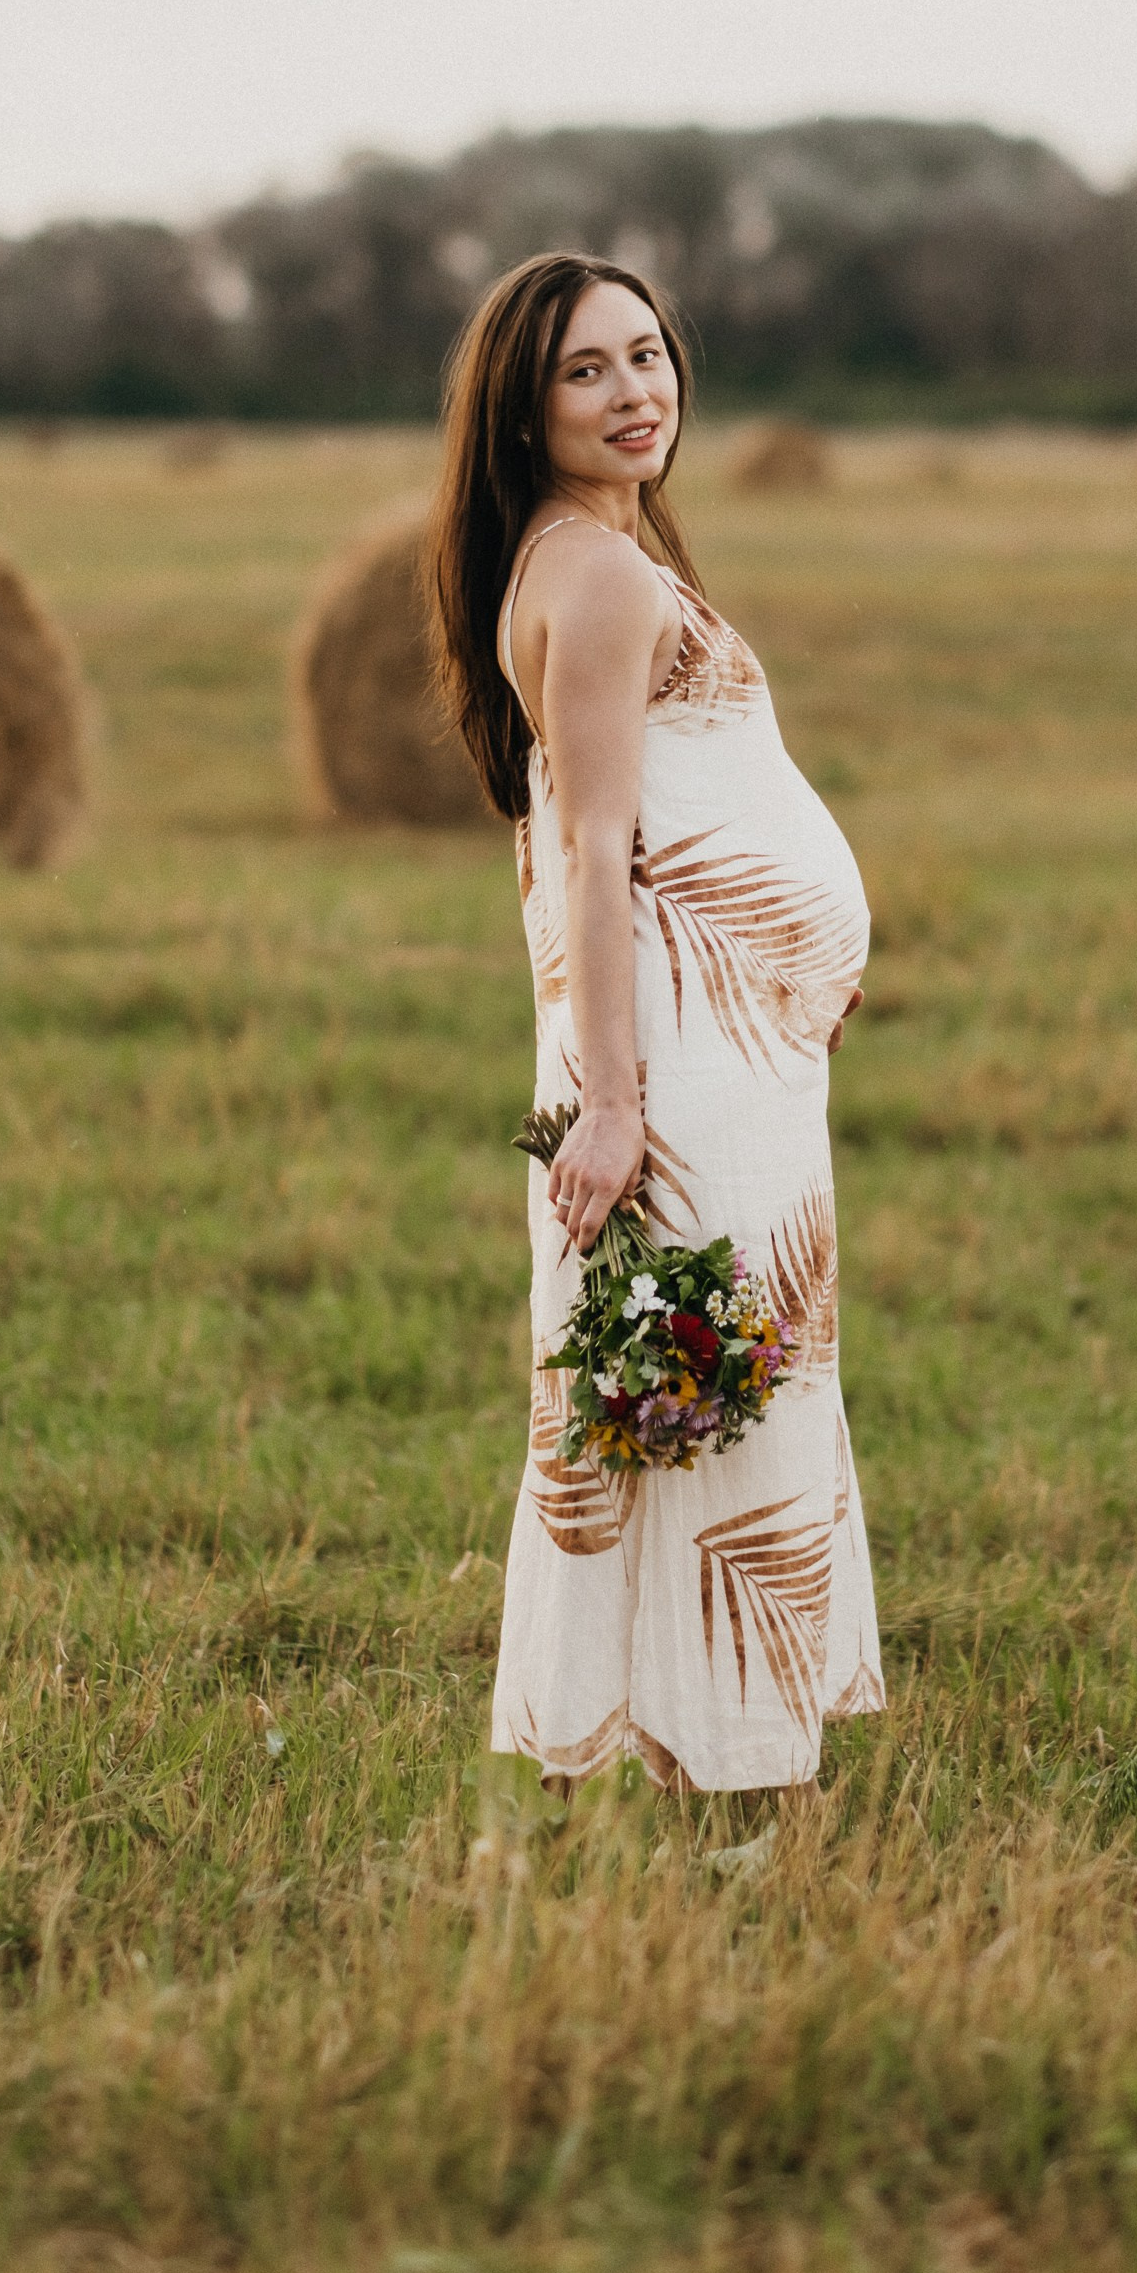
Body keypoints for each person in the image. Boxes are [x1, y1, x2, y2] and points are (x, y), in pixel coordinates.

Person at [426, 251, 885, 1795]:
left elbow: (676, 812)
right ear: (523, 408)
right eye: (586, 371)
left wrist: (794, 946)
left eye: (648, 356)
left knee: (695, 1389)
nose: (637, 394)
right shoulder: (602, 576)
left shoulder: (574, 559)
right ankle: (739, 1782)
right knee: (724, 1391)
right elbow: (597, 846)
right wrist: (618, 1107)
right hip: (675, 1062)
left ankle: (692, 1759)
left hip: (715, 1035)